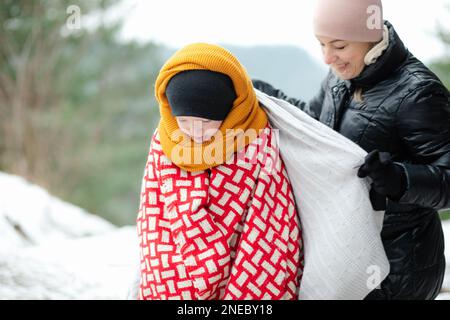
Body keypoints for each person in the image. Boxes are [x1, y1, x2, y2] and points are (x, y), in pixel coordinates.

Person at [253, 0, 450, 299]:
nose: (328, 58)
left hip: (401, 266)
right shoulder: (341, 76)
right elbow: (315, 123)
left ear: (369, 37)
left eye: (339, 46)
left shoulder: (418, 92)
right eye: (321, 45)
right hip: (350, 253)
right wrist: (268, 96)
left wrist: (400, 179)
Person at [135, 43, 303, 300]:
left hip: (242, 262)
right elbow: (153, 214)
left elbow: (270, 218)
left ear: (228, 112)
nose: (195, 131)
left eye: (205, 123)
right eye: (184, 122)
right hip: (177, 269)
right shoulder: (164, 140)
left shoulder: (255, 138)